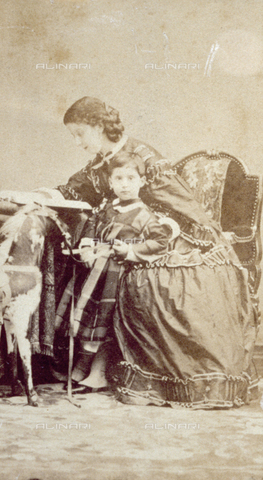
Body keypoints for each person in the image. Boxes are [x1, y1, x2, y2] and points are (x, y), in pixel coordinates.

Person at [52, 96, 256, 408]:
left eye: (80, 134)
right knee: (92, 258)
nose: (78, 142)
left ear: (97, 127)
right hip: (126, 231)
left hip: (166, 232)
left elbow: (179, 206)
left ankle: (104, 365)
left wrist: (151, 236)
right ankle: (91, 362)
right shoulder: (100, 162)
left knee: (133, 275)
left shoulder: (141, 154)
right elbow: (75, 189)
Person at [70, 152, 177, 387]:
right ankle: (81, 365)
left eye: (131, 178)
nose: (125, 184)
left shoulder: (145, 215)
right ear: (110, 182)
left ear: (142, 181)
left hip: (119, 275)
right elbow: (91, 226)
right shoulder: (108, 208)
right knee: (87, 316)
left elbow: (160, 242)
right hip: (96, 273)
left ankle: (98, 371)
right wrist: (87, 247)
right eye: (118, 179)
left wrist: (129, 251)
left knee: (105, 320)